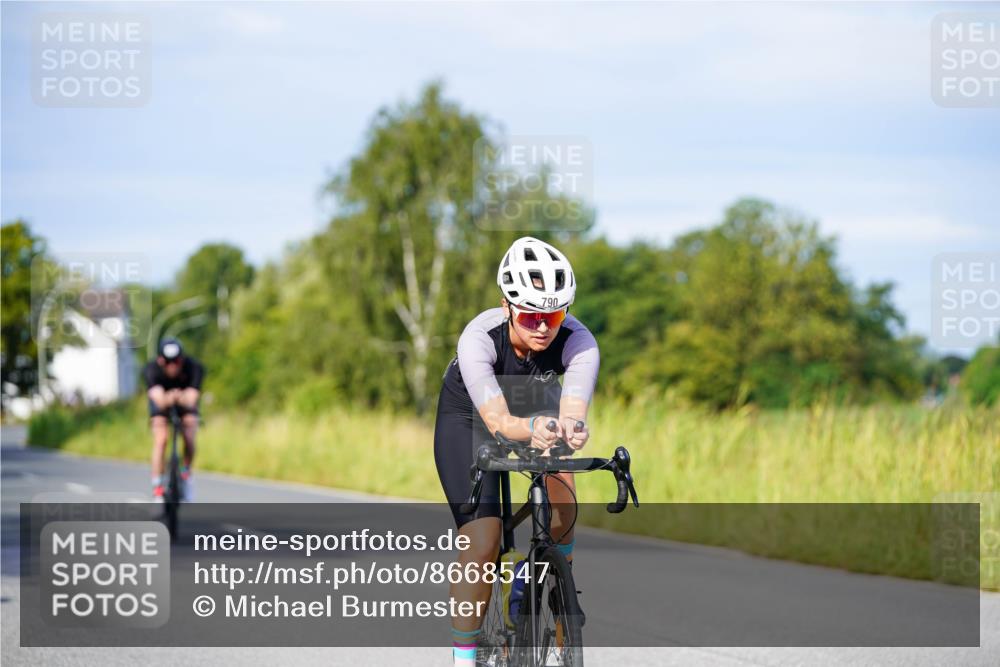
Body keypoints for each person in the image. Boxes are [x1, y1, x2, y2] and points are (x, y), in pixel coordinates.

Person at [434, 237, 599, 666]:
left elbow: (573, 408)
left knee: (564, 495)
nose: (544, 326)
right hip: (471, 418)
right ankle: (464, 659)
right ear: (507, 306)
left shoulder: (580, 341)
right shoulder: (478, 339)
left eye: (555, 314)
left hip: (536, 400)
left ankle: (548, 580)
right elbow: (500, 425)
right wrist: (528, 429)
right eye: (530, 314)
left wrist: (572, 428)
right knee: (483, 541)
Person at [144, 337, 204, 502]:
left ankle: (185, 474)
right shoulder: (151, 369)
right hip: (162, 405)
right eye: (168, 362)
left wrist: (173, 397)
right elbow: (159, 400)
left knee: (190, 433)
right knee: (161, 439)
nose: (172, 366)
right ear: (160, 360)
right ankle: (158, 488)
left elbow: (192, 399)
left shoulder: (193, 367)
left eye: (176, 361)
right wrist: (174, 397)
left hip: (183, 403)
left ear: (182, 360)